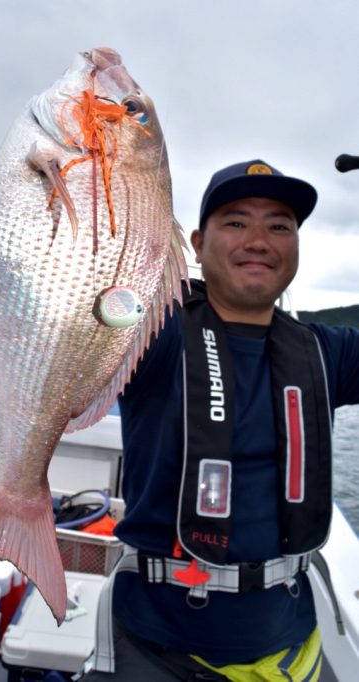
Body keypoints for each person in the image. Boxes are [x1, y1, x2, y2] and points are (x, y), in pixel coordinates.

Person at [79, 160, 359, 681]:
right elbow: (84, 288)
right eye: (235, 221)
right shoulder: (152, 333)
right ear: (197, 240)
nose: (259, 239)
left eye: (279, 225)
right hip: (154, 647)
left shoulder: (328, 352)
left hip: (293, 644)